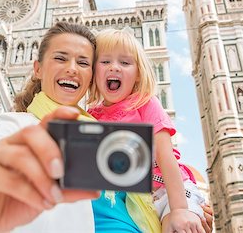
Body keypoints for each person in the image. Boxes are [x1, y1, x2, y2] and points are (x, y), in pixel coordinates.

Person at [0, 22, 213, 232]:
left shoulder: (104, 132)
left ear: (90, 77)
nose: (72, 69)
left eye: (83, 62)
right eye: (61, 58)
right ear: (38, 69)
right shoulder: (20, 125)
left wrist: (184, 212)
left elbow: (160, 183)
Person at [88, 28, 205, 233]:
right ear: (92, 72)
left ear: (138, 74)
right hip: (136, 201)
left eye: (124, 63)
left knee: (178, 226)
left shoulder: (145, 104)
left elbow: (165, 154)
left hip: (172, 191)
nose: (114, 67)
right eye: (105, 61)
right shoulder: (92, 116)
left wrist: (178, 209)